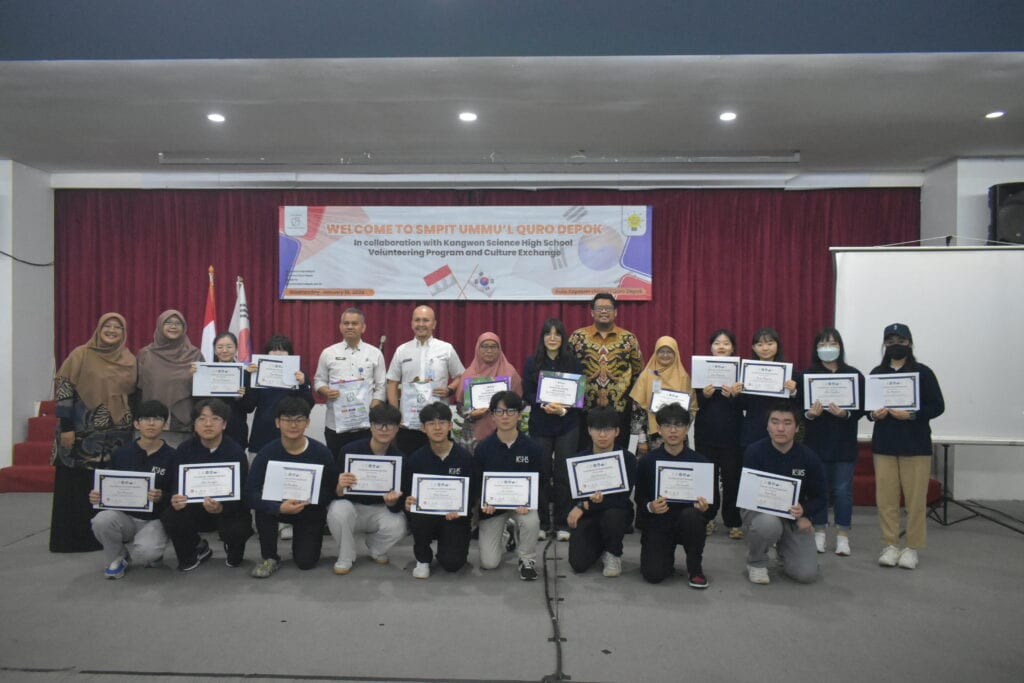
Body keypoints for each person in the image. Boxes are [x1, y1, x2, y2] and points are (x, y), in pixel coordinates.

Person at [50, 312, 137, 553]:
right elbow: (64, 389)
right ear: (98, 329)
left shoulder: (129, 359)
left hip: (115, 437)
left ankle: (102, 537)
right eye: (107, 326)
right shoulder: (81, 354)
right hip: (80, 433)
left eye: (117, 327)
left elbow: (133, 395)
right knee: (76, 486)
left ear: (124, 333)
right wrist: (66, 427)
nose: (112, 330)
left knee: (104, 487)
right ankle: (71, 540)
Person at [869, 323, 944, 570]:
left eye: (900, 341)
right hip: (884, 445)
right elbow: (868, 410)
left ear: (909, 343)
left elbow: (938, 406)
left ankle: (912, 547)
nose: (895, 346)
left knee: (915, 501)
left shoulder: (923, 372)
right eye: (890, 342)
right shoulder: (877, 373)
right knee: (886, 499)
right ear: (885, 345)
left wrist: (912, 414)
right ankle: (890, 544)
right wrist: (874, 415)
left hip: (916, 445)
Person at [245, 397, 338, 578]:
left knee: (306, 562)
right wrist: (277, 507)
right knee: (263, 508)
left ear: (307, 422)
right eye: (287, 420)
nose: (293, 425)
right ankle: (270, 557)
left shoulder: (321, 453)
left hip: (308, 509)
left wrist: (311, 498)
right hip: (277, 508)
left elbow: (331, 488)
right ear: (277, 422)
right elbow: (250, 492)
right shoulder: (266, 453)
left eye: (299, 420)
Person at [162, 399, 254, 571]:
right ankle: (193, 550)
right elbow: (175, 484)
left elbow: (243, 494)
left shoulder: (235, 452)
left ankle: (233, 549)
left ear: (224, 424)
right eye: (202, 419)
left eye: (215, 419)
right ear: (195, 424)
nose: (208, 424)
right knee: (171, 515)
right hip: (194, 508)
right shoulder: (184, 450)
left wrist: (221, 508)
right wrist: (176, 498)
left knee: (239, 526)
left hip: (225, 510)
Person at [88, 399, 176, 578]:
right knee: (101, 521)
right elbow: (108, 484)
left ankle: (155, 551)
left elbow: (177, 494)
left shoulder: (173, 456)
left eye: (157, 419)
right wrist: (98, 496)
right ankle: (118, 557)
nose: (151, 423)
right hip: (125, 517)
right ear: (136, 424)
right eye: (145, 419)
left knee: (149, 553)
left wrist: (162, 496)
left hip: (154, 519)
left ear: (165, 424)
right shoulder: (122, 453)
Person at [743, 402, 826, 585]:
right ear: (767, 426)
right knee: (768, 524)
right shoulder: (754, 452)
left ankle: (785, 553)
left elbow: (821, 497)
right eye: (775, 422)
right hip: (761, 513)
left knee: (806, 574)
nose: (780, 428)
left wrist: (805, 512)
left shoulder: (809, 457)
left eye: (787, 423)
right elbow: (747, 494)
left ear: (796, 428)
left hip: (794, 516)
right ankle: (756, 562)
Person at [800, 327, 865, 556]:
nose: (828, 348)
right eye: (823, 344)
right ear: (816, 348)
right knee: (818, 490)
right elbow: (797, 409)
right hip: (815, 443)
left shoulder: (854, 375)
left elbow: (862, 408)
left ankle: (843, 535)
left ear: (840, 347)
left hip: (843, 444)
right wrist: (809, 414)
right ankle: (819, 532)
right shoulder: (807, 375)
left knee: (842, 491)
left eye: (832, 343)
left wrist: (845, 413)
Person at [636, 404, 715, 587]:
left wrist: (705, 509)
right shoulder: (648, 461)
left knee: (692, 517)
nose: (673, 431)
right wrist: (650, 507)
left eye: (678, 425)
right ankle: (665, 557)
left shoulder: (700, 462)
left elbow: (711, 507)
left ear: (687, 429)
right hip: (659, 522)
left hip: (687, 523)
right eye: (667, 425)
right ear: (659, 429)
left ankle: (695, 568)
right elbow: (640, 498)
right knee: (653, 574)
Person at [327, 403, 407, 575]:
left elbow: (399, 504)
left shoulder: (400, 459)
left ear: (397, 429)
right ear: (371, 426)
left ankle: (376, 548)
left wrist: (392, 502)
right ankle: (345, 556)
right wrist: (340, 487)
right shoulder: (349, 451)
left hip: (380, 509)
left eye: (390, 425)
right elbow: (336, 493)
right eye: (379, 424)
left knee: (399, 525)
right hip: (352, 507)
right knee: (337, 510)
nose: (384, 429)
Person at [523, 318, 583, 541]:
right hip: (541, 424)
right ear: (543, 337)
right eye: (548, 333)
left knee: (563, 474)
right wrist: (542, 404)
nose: (552, 338)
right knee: (541, 472)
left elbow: (580, 396)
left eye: (557, 334)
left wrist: (563, 410)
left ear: (563, 338)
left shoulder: (573, 363)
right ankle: (541, 522)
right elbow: (527, 393)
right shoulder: (532, 362)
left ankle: (562, 523)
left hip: (567, 424)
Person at [474, 391, 544, 581]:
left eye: (510, 411)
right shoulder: (483, 448)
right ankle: (508, 534)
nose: (505, 416)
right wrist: (484, 502)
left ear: (519, 415)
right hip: (493, 509)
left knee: (531, 520)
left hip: (522, 506)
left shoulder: (532, 448)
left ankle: (527, 559)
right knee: (489, 563)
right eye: (499, 411)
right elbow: (477, 482)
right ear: (492, 416)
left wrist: (529, 501)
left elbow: (541, 481)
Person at [403, 402, 478, 579]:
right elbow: (408, 492)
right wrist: (408, 502)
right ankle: (423, 559)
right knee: (417, 514)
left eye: (442, 423)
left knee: (452, 564)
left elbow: (472, 493)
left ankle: (447, 548)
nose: (437, 428)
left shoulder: (464, 458)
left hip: (454, 518)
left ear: (450, 425)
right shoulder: (416, 459)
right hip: (426, 517)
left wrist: (461, 510)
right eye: (431, 423)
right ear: (423, 428)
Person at [567, 407, 637, 578]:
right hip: (589, 515)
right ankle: (601, 544)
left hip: (615, 512)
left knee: (613, 515)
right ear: (589, 430)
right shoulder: (578, 460)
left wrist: (585, 505)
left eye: (608, 430)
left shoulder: (627, 458)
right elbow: (574, 496)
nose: (603, 435)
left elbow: (622, 498)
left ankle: (613, 553)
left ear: (617, 431)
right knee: (578, 564)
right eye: (598, 429)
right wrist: (582, 506)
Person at [568, 293, 644, 451]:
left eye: (608, 308)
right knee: (585, 455)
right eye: (599, 308)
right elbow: (567, 370)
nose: (603, 311)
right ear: (592, 312)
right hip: (585, 411)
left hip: (619, 410)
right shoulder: (577, 337)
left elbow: (638, 372)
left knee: (617, 455)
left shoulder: (629, 339)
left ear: (615, 312)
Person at [386, 305, 465, 454]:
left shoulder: (446, 349)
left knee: (439, 461)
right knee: (409, 462)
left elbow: (461, 376)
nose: (421, 324)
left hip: (438, 424)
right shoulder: (402, 350)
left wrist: (450, 389)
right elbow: (392, 382)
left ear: (434, 324)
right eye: (417, 320)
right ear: (411, 323)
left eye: (425, 320)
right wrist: (396, 414)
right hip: (408, 423)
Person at [313, 308, 386, 457]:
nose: (350, 327)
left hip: (365, 425)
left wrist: (374, 405)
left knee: (363, 465)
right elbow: (318, 380)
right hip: (335, 424)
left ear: (363, 327)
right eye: (346, 323)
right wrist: (326, 391)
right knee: (337, 464)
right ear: (340, 327)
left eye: (355, 323)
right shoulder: (328, 353)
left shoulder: (375, 353)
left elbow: (381, 386)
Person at [694, 329, 745, 540]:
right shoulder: (700, 369)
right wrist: (704, 396)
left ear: (733, 348)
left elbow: (746, 405)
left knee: (732, 479)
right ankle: (708, 517)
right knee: (708, 478)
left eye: (726, 343)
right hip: (706, 433)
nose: (721, 346)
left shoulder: (741, 372)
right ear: (711, 347)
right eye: (717, 343)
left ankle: (733, 520)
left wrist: (734, 396)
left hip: (732, 434)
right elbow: (693, 403)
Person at [137, 309, 202, 446]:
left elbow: (204, 390)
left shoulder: (194, 355)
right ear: (160, 325)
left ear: (184, 327)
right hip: (150, 420)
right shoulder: (145, 354)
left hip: (182, 422)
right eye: (168, 322)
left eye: (178, 323)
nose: (173, 326)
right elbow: (137, 389)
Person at [244, 334, 315, 456]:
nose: (278, 353)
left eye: (282, 350)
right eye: (273, 350)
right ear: (266, 354)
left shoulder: (298, 374)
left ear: (290, 354)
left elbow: (308, 405)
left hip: (290, 433)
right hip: (262, 434)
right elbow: (248, 406)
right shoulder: (258, 374)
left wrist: (303, 384)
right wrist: (248, 377)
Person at [453, 332, 522, 453]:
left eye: (493, 346)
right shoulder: (469, 374)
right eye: (484, 346)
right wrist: (471, 415)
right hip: (474, 432)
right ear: (477, 348)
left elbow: (519, 402)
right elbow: (460, 406)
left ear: (499, 349)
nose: (489, 350)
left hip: (506, 430)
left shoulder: (510, 372)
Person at [629, 336, 697, 457]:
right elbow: (638, 411)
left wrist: (681, 429)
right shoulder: (646, 376)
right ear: (656, 353)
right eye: (661, 351)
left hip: (678, 438)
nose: (665, 355)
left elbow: (691, 409)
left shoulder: (684, 377)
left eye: (669, 352)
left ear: (676, 353)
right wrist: (641, 439)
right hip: (651, 438)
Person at [736, 327, 799, 451]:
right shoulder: (746, 371)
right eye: (759, 344)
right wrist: (737, 393)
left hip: (780, 430)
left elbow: (797, 405)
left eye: (770, 344)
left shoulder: (789, 372)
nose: (765, 348)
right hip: (753, 430)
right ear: (753, 348)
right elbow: (742, 405)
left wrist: (793, 392)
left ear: (777, 345)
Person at [202, 331, 251, 450]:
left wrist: (239, 399)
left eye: (229, 347)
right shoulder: (205, 372)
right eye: (220, 347)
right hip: (209, 427)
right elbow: (198, 402)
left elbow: (250, 407)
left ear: (236, 349)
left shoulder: (245, 374)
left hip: (236, 429)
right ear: (214, 350)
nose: (224, 350)